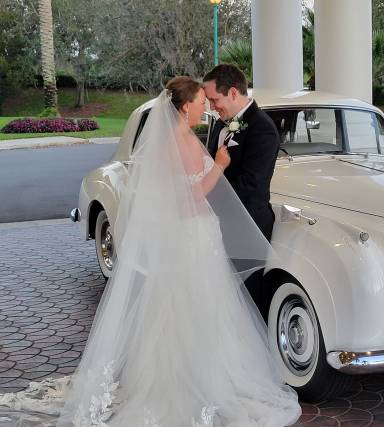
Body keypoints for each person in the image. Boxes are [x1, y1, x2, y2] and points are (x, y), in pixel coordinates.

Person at [0, 77, 301, 427]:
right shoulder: (182, 142)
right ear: (186, 106)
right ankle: (193, 382)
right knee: (194, 309)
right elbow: (187, 202)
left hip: (194, 237)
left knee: (186, 309)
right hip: (192, 235)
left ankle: (187, 375)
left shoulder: (180, 139)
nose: (207, 107)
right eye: (202, 100)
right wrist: (218, 165)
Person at [202, 64, 280, 315]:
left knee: (247, 299)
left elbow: (253, 185)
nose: (212, 107)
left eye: (215, 100)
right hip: (218, 224)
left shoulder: (262, 128)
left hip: (248, 225)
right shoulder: (220, 124)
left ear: (233, 93)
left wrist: (206, 197)